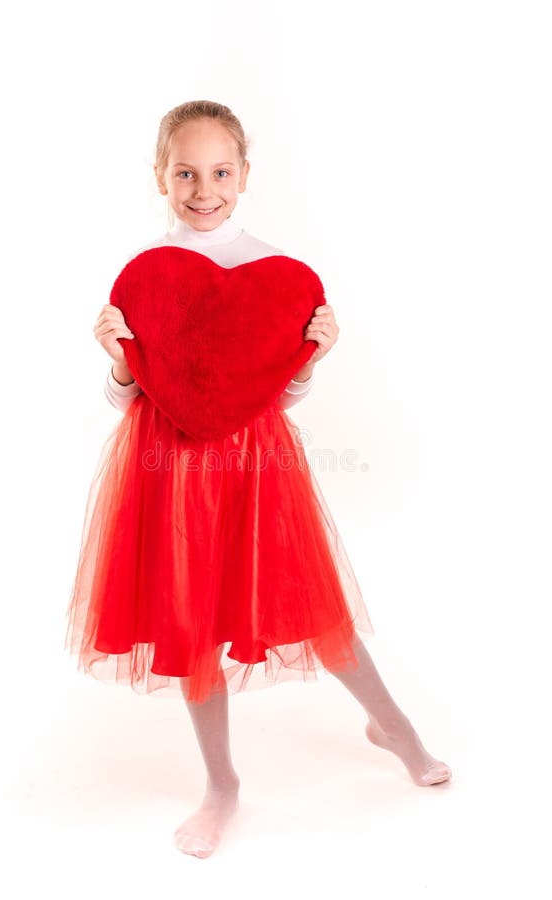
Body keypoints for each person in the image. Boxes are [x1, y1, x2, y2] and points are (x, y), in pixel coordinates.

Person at [65, 100, 452, 860]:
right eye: (184, 173)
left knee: (308, 603)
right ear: (159, 177)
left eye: (218, 172)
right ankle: (222, 784)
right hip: (168, 469)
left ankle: (393, 725)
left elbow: (283, 390)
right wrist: (117, 357)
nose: (202, 189)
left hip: (254, 466)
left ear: (244, 175)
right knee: (193, 621)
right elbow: (127, 394)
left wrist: (312, 355)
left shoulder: (274, 268)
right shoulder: (147, 275)